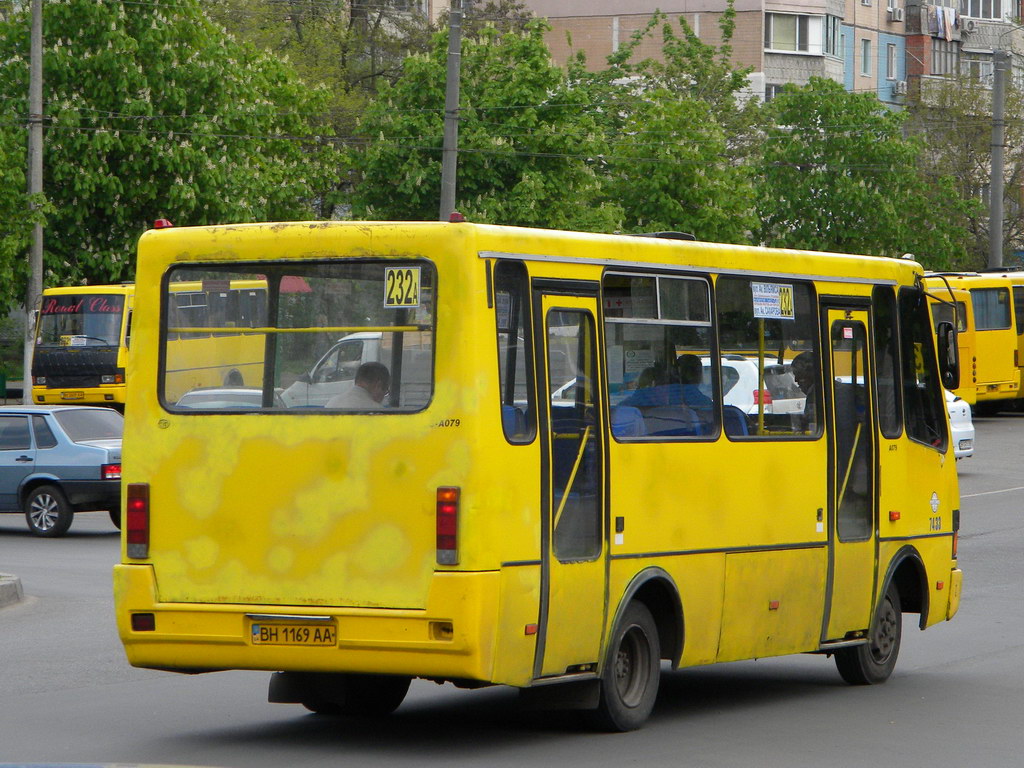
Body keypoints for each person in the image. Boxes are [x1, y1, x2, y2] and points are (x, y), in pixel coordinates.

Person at [791, 351, 818, 433]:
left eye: (799, 374)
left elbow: (812, 428)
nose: (796, 380)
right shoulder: (819, 390)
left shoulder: (816, 393)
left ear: (811, 373)